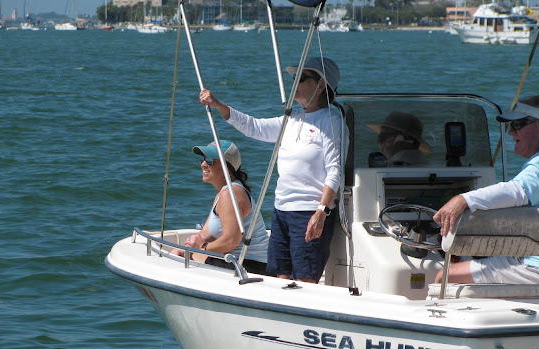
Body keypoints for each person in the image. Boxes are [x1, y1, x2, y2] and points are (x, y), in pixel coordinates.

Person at [198, 56, 347, 283]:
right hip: (281, 210)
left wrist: (321, 212)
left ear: (321, 85)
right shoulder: (291, 119)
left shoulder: (332, 122)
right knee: (279, 276)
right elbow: (253, 127)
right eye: (294, 78)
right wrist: (218, 105)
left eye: (301, 78)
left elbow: (335, 171)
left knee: (305, 280)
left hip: (308, 211)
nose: (295, 83)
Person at [433, 94, 539, 284]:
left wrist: (463, 200)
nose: (510, 132)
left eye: (517, 125)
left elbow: (516, 192)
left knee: (444, 276)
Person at [171, 140, 269, 275]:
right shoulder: (224, 193)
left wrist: (201, 250)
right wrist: (190, 246)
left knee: (182, 258)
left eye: (210, 160)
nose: (203, 164)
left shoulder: (230, 193)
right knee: (180, 253)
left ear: (227, 168)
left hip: (250, 266)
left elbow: (231, 240)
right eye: (202, 159)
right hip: (239, 261)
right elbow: (204, 235)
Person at [367, 111, 431, 167]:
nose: (378, 142)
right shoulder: (425, 164)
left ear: (391, 140)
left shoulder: (390, 168)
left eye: (381, 137)